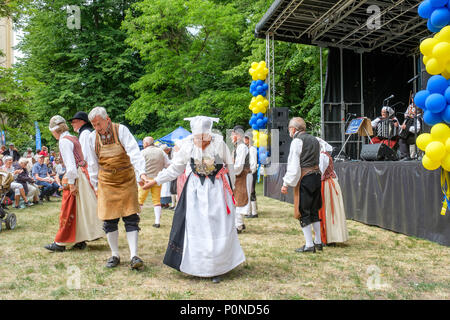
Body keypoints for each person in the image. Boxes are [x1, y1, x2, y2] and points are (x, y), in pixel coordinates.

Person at [145, 116, 245, 283]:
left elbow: (230, 166)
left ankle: (217, 267)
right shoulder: (187, 145)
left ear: (209, 133)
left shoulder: (219, 143)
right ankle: (199, 267)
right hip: (195, 191)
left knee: (217, 226)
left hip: (217, 190)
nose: (200, 140)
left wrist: (232, 187)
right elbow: (175, 168)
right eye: (197, 137)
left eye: (203, 137)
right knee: (198, 227)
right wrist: (155, 181)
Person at [86, 106, 149, 270]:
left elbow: (134, 152)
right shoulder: (92, 138)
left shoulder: (121, 130)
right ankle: (115, 255)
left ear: (108, 119)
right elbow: (92, 164)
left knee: (131, 217)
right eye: (94, 125)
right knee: (109, 219)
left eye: (99, 124)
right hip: (106, 181)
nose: (97, 128)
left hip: (126, 179)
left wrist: (141, 173)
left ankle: (134, 255)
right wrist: (95, 186)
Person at [281, 117, 322, 253]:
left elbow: (293, 164)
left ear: (293, 129)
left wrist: (286, 183)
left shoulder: (297, 141)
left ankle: (309, 245)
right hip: (317, 176)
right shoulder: (316, 140)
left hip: (306, 178)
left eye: (289, 129)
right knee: (314, 209)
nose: (289, 132)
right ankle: (318, 242)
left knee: (304, 211)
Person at [317, 138, 348, 246]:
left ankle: (329, 237)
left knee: (328, 210)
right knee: (329, 210)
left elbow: (320, 172)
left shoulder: (322, 156)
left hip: (327, 185)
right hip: (330, 183)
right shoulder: (324, 155)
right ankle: (329, 237)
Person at [138, 136, 170, 228]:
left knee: (140, 200)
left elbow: (139, 167)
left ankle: (136, 221)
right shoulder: (161, 152)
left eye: (144, 142)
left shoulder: (142, 152)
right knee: (156, 201)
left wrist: (139, 179)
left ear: (146, 144)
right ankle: (157, 222)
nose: (143, 144)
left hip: (145, 179)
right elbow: (168, 164)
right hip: (157, 179)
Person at [232, 125, 250, 233]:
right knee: (237, 198)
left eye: (233, 134)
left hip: (242, 175)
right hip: (239, 175)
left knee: (239, 198)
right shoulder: (238, 146)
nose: (231, 136)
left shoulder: (242, 147)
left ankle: (238, 225)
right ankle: (240, 223)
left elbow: (239, 166)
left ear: (238, 135)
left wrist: (230, 171)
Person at [244, 133, 258, 218]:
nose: (244, 140)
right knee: (249, 192)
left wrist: (251, 172)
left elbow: (253, 162)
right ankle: (249, 211)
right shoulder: (248, 149)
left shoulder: (252, 149)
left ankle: (254, 212)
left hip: (251, 172)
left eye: (246, 138)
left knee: (251, 191)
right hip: (249, 172)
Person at [159, 144, 172, 209]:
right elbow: (168, 164)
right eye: (167, 149)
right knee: (165, 188)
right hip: (165, 171)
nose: (168, 150)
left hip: (162, 172)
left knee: (164, 188)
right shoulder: (164, 155)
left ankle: (163, 202)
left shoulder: (161, 155)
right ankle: (165, 203)